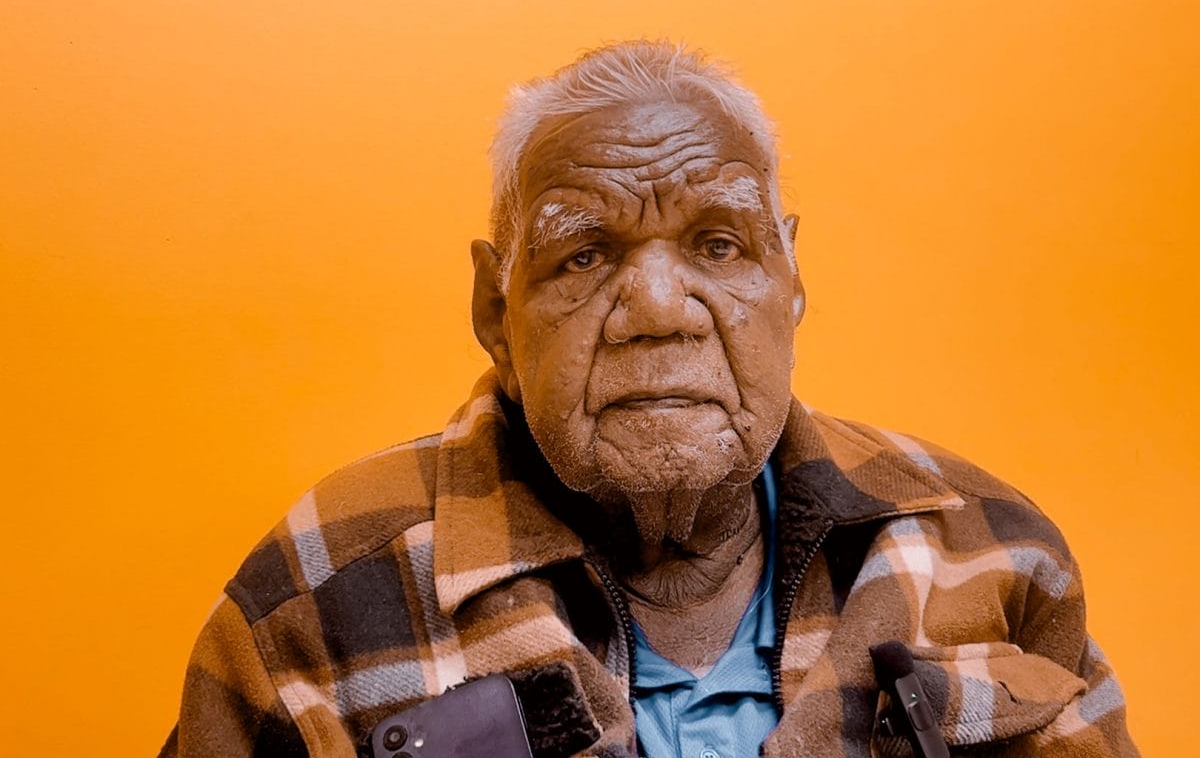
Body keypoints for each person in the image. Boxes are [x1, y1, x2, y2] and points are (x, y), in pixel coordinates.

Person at [161, 41, 1138, 758]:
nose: (658, 310)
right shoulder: (313, 592)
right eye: (583, 254)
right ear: (494, 308)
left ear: (791, 277)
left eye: (720, 244)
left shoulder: (998, 552)